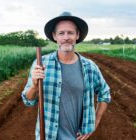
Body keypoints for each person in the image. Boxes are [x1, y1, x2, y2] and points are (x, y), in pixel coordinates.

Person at [21, 11, 111, 140]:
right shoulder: (41, 63)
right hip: (47, 136)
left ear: (77, 35)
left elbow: (105, 93)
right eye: (61, 33)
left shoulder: (90, 67)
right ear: (55, 36)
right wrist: (34, 85)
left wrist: (94, 123)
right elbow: (28, 101)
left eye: (70, 33)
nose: (66, 37)